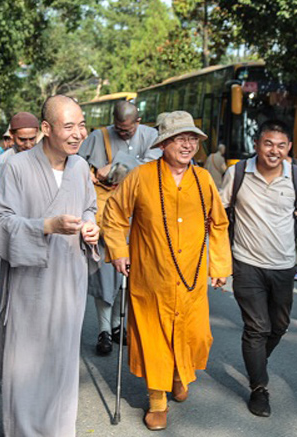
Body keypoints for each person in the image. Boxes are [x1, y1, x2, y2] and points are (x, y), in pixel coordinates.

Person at [102, 111, 232, 431]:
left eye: (191, 138)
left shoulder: (202, 180)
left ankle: (178, 373)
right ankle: (157, 399)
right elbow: (115, 215)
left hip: (191, 277)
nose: (187, 145)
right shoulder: (141, 177)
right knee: (153, 339)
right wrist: (118, 252)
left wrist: (219, 266)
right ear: (163, 144)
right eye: (179, 138)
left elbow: (218, 223)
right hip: (150, 276)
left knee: (197, 336)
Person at [0, 95, 100, 436]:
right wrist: (45, 226)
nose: (78, 133)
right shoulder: (18, 167)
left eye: (81, 125)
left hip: (69, 278)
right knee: (25, 363)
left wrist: (90, 226)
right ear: (47, 129)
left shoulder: (80, 167)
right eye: (69, 126)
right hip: (30, 283)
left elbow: (90, 207)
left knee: (63, 361)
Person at [219, 120, 297, 418]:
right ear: (257, 145)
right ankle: (259, 387)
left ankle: (256, 361)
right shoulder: (237, 173)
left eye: (281, 145)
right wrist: (217, 259)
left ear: (289, 149)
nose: (274, 150)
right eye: (268, 144)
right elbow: (219, 215)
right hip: (246, 264)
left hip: (283, 266)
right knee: (257, 328)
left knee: (279, 326)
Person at [78, 100, 161, 355]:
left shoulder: (152, 136)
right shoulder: (98, 136)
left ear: (138, 121)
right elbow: (76, 165)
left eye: (128, 130)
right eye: (119, 129)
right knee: (105, 274)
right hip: (107, 217)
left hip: (138, 219)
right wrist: (93, 172)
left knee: (129, 273)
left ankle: (117, 326)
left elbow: (148, 168)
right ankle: (104, 330)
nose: (123, 134)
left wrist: (113, 168)